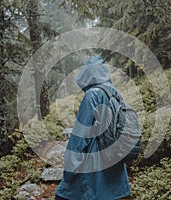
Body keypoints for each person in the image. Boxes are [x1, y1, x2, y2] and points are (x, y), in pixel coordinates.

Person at [55, 55, 130, 200]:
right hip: (114, 164)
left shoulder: (92, 95)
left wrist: (70, 170)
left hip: (94, 167)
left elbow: (80, 136)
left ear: (87, 75)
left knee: (66, 194)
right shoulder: (115, 92)